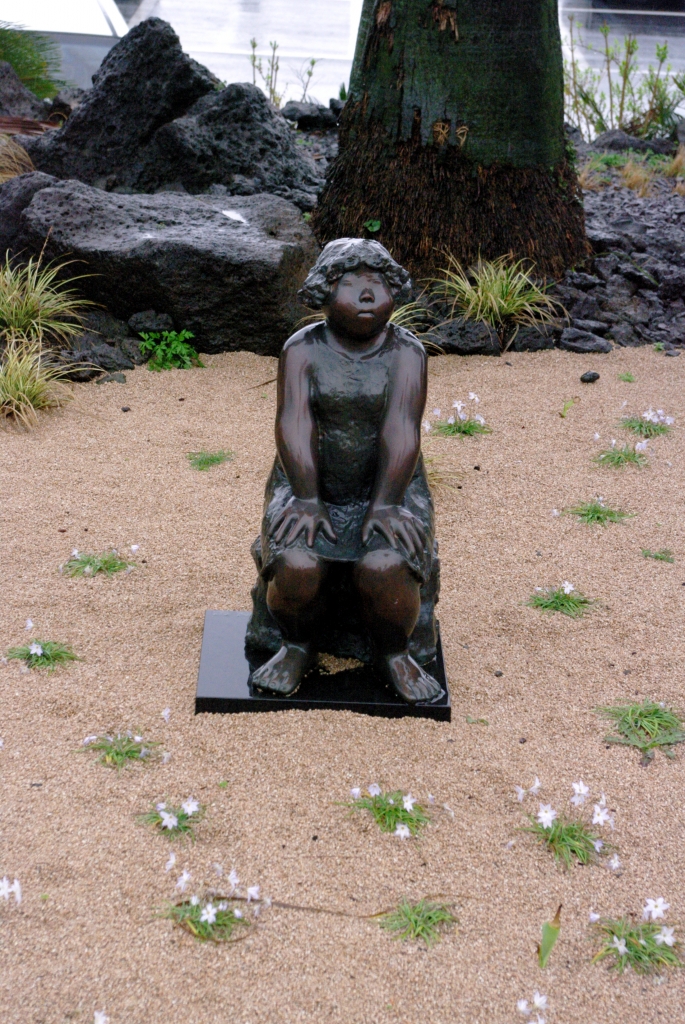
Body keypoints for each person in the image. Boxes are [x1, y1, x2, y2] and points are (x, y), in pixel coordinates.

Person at [247, 238, 442, 704]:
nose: (367, 294)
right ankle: (295, 645)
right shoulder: (302, 350)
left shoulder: (406, 353)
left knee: (386, 565)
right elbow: (294, 425)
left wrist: (387, 503)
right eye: (351, 283)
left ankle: (395, 652)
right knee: (297, 564)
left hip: (391, 489)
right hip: (308, 486)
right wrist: (306, 497)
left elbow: (401, 429)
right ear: (325, 289)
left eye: (377, 282)